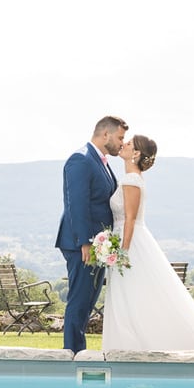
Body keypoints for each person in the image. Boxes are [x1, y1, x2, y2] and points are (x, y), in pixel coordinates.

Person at [101, 134, 194, 353]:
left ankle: (133, 348)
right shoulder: (130, 178)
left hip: (130, 244)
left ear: (135, 153)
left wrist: (122, 252)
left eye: (128, 144)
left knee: (133, 296)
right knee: (131, 297)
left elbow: (130, 219)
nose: (123, 145)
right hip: (125, 240)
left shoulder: (131, 180)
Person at [55, 115, 127, 352]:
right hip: (82, 245)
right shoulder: (81, 159)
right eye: (119, 137)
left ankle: (79, 352)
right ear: (105, 134)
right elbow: (76, 204)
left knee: (87, 302)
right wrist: (86, 241)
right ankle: (72, 354)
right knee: (79, 300)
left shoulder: (101, 162)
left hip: (99, 245)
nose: (121, 143)